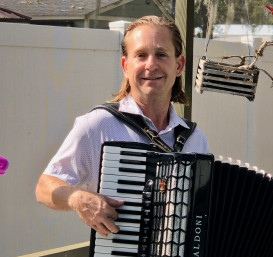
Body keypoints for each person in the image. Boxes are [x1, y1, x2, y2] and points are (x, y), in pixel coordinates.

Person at [35, 15, 209, 238]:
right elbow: (44, 187)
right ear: (125, 66)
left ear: (179, 65)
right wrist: (76, 198)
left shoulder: (195, 140)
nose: (151, 64)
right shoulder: (98, 125)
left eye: (161, 54)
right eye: (141, 55)